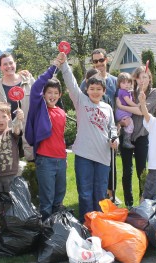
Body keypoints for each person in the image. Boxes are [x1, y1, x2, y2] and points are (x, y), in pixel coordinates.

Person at [54, 52, 118, 223]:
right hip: (84, 155)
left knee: (100, 192)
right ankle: (86, 224)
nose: (95, 92)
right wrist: (65, 65)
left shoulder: (107, 108)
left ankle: (99, 224)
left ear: (104, 91)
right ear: (87, 90)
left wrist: (115, 138)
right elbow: (71, 83)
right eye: (92, 89)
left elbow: (111, 127)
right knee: (85, 192)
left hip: (103, 157)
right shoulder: (81, 101)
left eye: (99, 89)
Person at [25, 65, 67, 221]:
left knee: (59, 198)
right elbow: (36, 87)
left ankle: (57, 230)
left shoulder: (61, 112)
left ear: (60, 95)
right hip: (45, 160)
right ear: (44, 94)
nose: (53, 95)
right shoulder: (39, 108)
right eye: (49, 92)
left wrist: (64, 158)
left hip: (61, 160)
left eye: (56, 93)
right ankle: (45, 232)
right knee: (47, 200)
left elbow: (60, 136)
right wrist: (54, 67)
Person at [116, 65, 156, 208]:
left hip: (142, 135)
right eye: (140, 77)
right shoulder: (130, 92)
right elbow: (118, 109)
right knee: (126, 171)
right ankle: (129, 204)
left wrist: (123, 107)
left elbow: (143, 110)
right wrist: (120, 119)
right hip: (127, 135)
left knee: (142, 170)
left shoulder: (155, 92)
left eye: (145, 77)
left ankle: (143, 204)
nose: (142, 81)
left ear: (150, 78)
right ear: (135, 79)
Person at [0, 53, 35, 162]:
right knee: (11, 169)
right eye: (5, 64)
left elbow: (39, 101)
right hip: (8, 134)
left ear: (15, 63)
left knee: (32, 168)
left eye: (11, 63)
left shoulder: (28, 80)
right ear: (0, 67)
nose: (9, 66)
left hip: (28, 131)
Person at [115, 72, 136, 149]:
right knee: (130, 123)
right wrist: (137, 106)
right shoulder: (123, 91)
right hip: (122, 112)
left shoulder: (126, 91)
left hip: (122, 111)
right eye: (123, 83)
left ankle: (125, 138)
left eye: (128, 82)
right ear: (119, 84)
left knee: (127, 124)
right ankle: (126, 141)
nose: (126, 84)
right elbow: (128, 102)